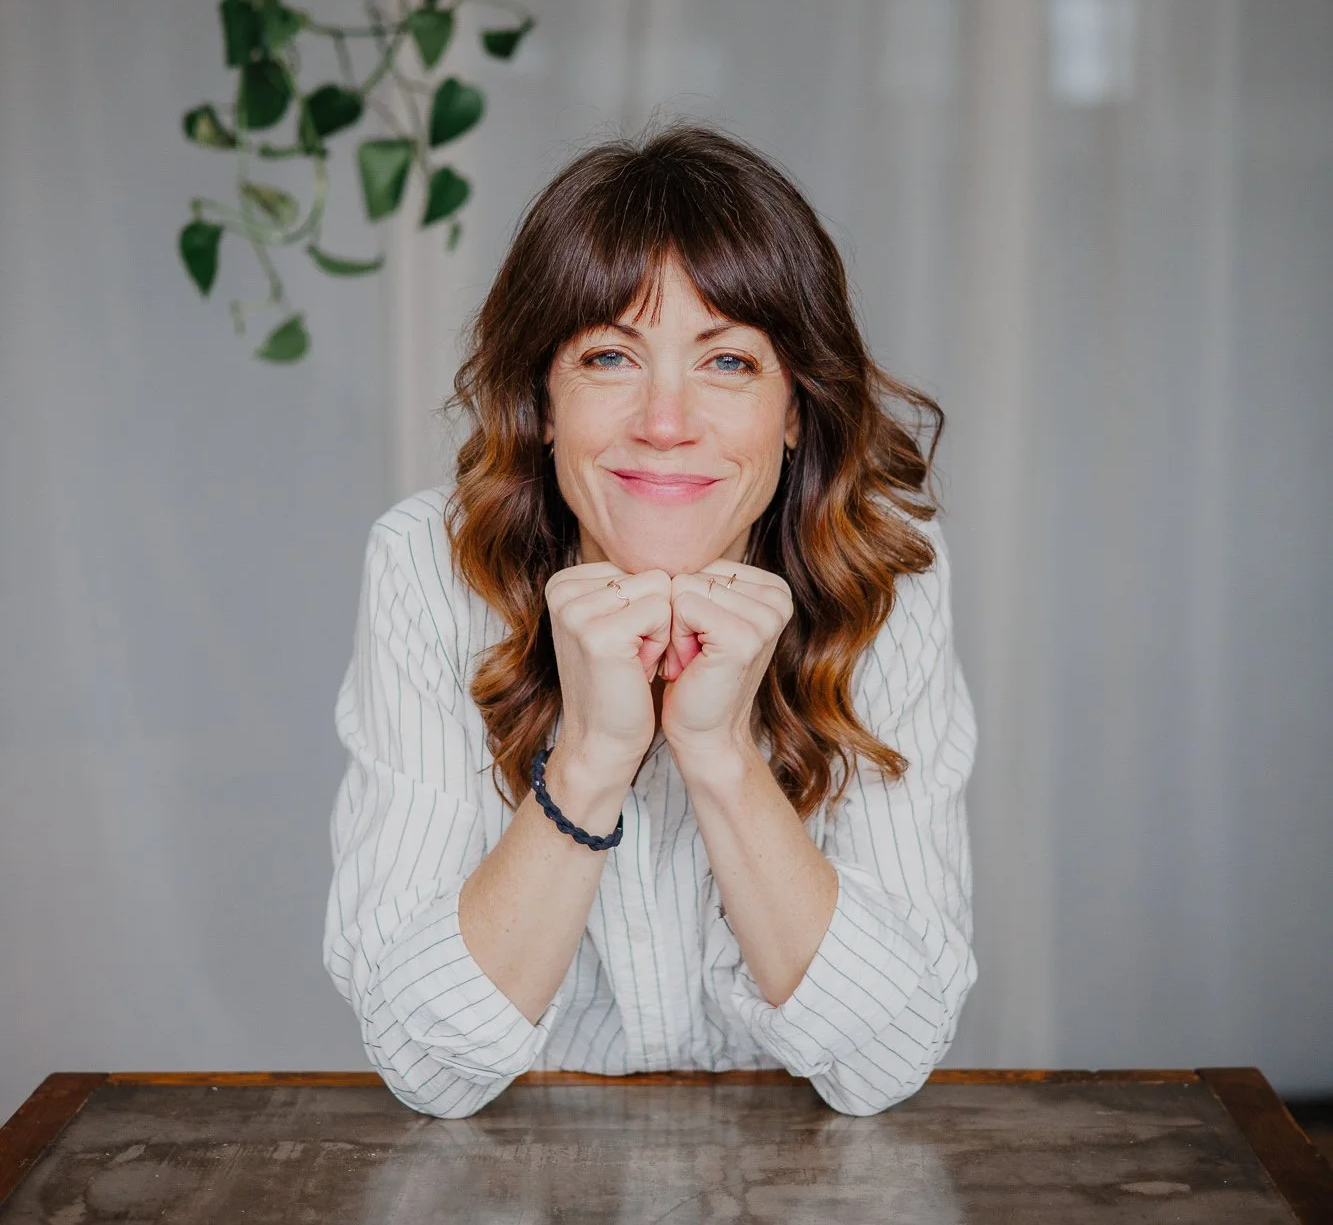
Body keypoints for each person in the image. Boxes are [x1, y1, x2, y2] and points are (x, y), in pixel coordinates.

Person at [324, 124, 977, 1117]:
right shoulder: (429, 567)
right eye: (609, 356)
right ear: (543, 396)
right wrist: (591, 754)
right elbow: (429, 1065)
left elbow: (883, 1061)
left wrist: (717, 749)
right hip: (522, 1204)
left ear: (795, 406)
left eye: (726, 362)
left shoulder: (884, 571)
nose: (664, 420)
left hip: (795, 1210)